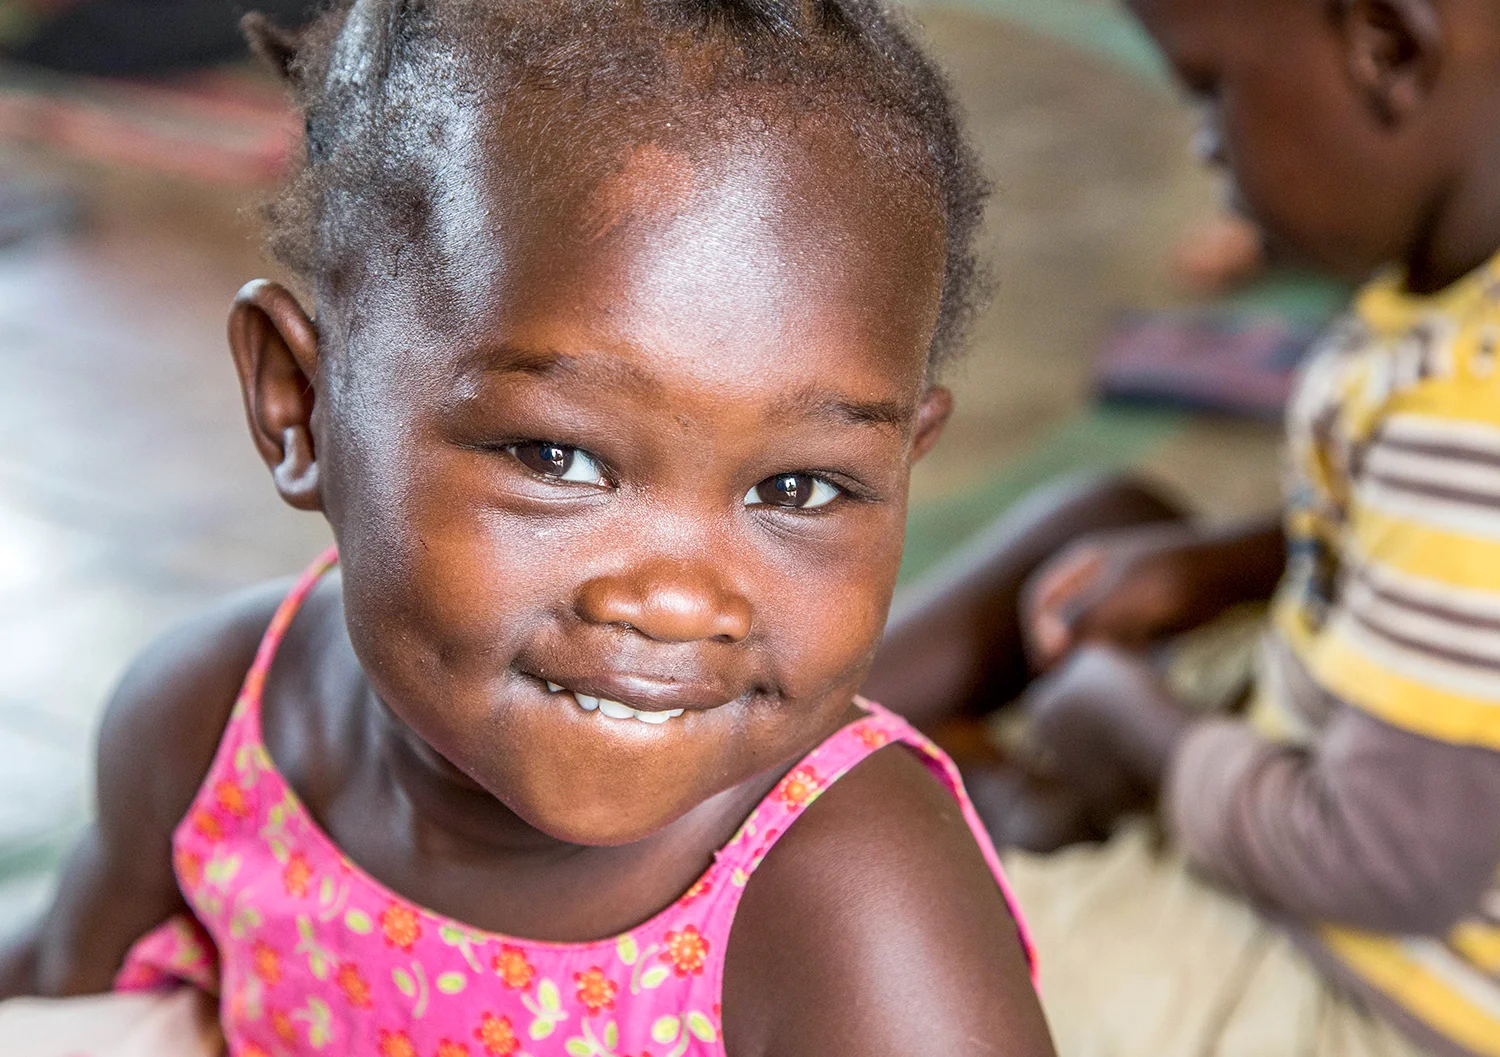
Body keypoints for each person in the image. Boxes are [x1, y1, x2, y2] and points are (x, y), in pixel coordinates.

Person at [0, 3, 1054, 1056]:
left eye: (801, 488)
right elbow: (65, 1007)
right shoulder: (210, 726)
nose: (682, 598)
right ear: (300, 403)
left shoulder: (851, 900)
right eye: (559, 458)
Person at [865, 1, 1500, 1055]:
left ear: (1390, 50)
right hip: (1351, 766)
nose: (1206, 150)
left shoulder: (1466, 413)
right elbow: (1447, 566)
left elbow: (1385, 859)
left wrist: (1132, 724)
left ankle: (812, 788)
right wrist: (1238, 564)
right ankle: (888, 769)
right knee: (1112, 521)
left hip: (1371, 992)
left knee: (901, 937)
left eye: (1212, 96)